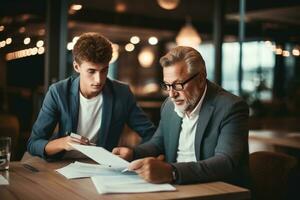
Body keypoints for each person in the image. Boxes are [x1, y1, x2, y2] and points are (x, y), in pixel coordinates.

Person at [113, 46, 249, 187]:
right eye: (167, 85)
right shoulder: (169, 106)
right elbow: (157, 144)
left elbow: (225, 162)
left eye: (178, 85)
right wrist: (132, 153)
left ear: (201, 79)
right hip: (176, 187)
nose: (172, 94)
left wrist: (172, 172)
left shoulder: (231, 107)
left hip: (218, 189)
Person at [27, 32, 155, 160]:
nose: (98, 80)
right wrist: (63, 143)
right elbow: (33, 144)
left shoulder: (122, 93)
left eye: (104, 70)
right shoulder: (58, 92)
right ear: (77, 67)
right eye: (91, 71)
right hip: (62, 164)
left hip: (103, 168)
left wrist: (134, 153)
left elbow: (152, 135)